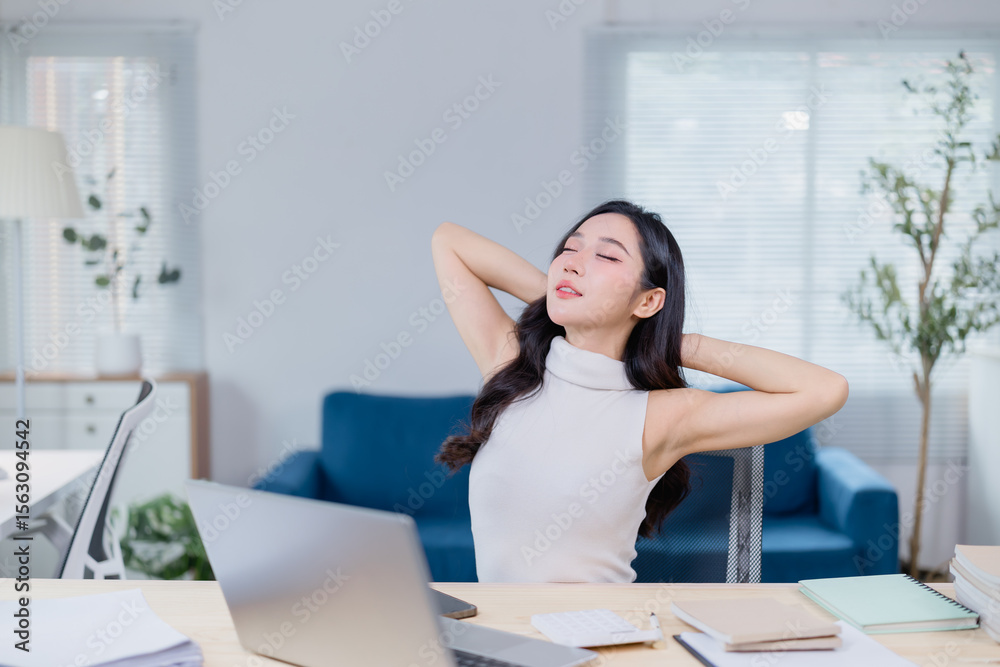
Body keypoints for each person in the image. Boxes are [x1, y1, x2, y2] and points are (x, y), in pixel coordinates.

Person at [430, 199, 848, 583]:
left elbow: (825, 390)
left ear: (648, 301)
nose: (572, 264)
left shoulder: (663, 415)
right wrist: (562, 296)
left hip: (598, 631)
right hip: (501, 632)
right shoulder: (511, 365)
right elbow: (449, 241)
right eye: (570, 249)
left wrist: (668, 340)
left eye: (607, 256)